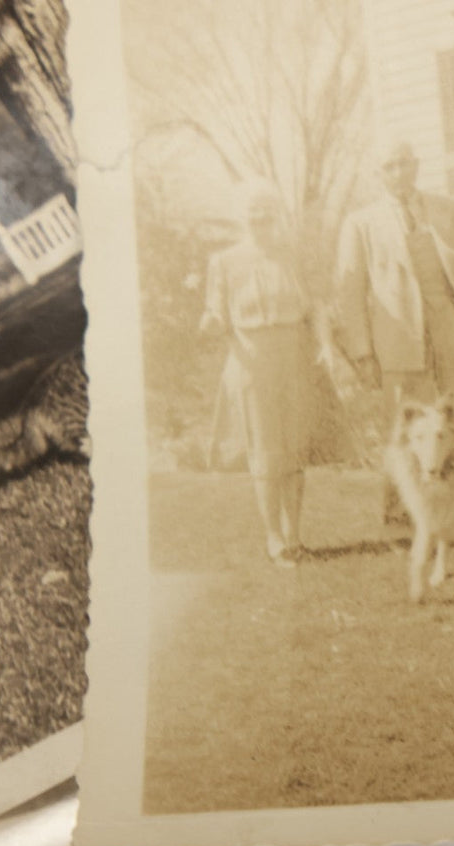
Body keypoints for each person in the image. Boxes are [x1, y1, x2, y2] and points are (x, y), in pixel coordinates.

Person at [334, 140, 454, 523]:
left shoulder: (450, 210)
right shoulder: (361, 223)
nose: (399, 173)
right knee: (403, 427)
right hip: (397, 337)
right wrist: (364, 353)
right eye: (390, 166)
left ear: (416, 166)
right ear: (379, 174)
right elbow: (349, 295)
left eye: (405, 164)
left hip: (450, 326)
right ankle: (400, 515)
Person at [202, 187, 311, 567]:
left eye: (267, 215)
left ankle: (296, 534)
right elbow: (216, 311)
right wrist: (211, 322)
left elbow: (315, 306)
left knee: (295, 449)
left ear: (275, 217)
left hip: (295, 356)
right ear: (242, 219)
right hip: (251, 361)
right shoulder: (225, 261)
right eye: (253, 215)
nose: (261, 222)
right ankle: (274, 537)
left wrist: (327, 346)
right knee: (266, 452)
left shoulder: (292, 254)